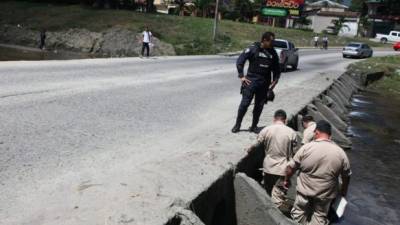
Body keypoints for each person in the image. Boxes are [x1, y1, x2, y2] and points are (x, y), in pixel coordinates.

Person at [284, 120, 351, 225]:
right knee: (319, 218)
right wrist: (343, 191)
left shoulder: (306, 148)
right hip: (325, 196)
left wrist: (286, 180)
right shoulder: (340, 153)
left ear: (317, 132)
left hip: (304, 193)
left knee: (298, 216)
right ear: (330, 134)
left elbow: (291, 168)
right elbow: (346, 176)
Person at [231, 31, 281, 133]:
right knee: (244, 104)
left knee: (259, 106)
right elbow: (240, 61)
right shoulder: (253, 48)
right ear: (264, 40)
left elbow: (277, 68)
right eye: (271, 41)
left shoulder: (273, 53)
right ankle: (237, 125)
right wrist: (241, 76)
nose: (272, 43)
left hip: (264, 83)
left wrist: (275, 80)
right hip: (251, 82)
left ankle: (254, 126)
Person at [257, 109, 298, 208]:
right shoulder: (291, 132)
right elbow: (294, 153)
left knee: (267, 192)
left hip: (268, 167)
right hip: (282, 169)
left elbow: (258, 143)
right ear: (285, 120)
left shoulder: (266, 130)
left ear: (274, 119)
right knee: (278, 197)